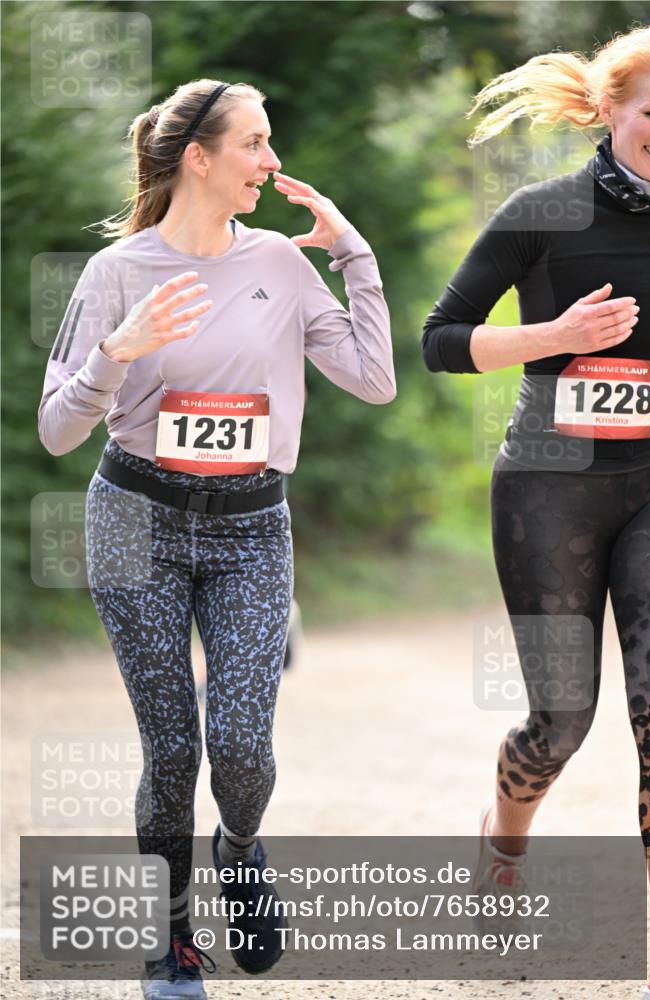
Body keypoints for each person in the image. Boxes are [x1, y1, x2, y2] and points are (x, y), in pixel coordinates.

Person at [38, 78, 396, 999]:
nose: (272, 163)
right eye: (256, 144)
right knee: (171, 749)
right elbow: (56, 429)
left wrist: (352, 254)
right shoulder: (115, 273)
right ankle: (169, 943)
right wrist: (114, 353)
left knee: (240, 742)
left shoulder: (278, 261)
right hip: (134, 519)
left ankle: (240, 849)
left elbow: (370, 378)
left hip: (250, 529)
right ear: (199, 158)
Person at [421, 25, 650, 998]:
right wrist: (552, 335)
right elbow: (440, 341)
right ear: (610, 111)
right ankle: (505, 839)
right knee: (561, 722)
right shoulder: (543, 212)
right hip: (549, 483)